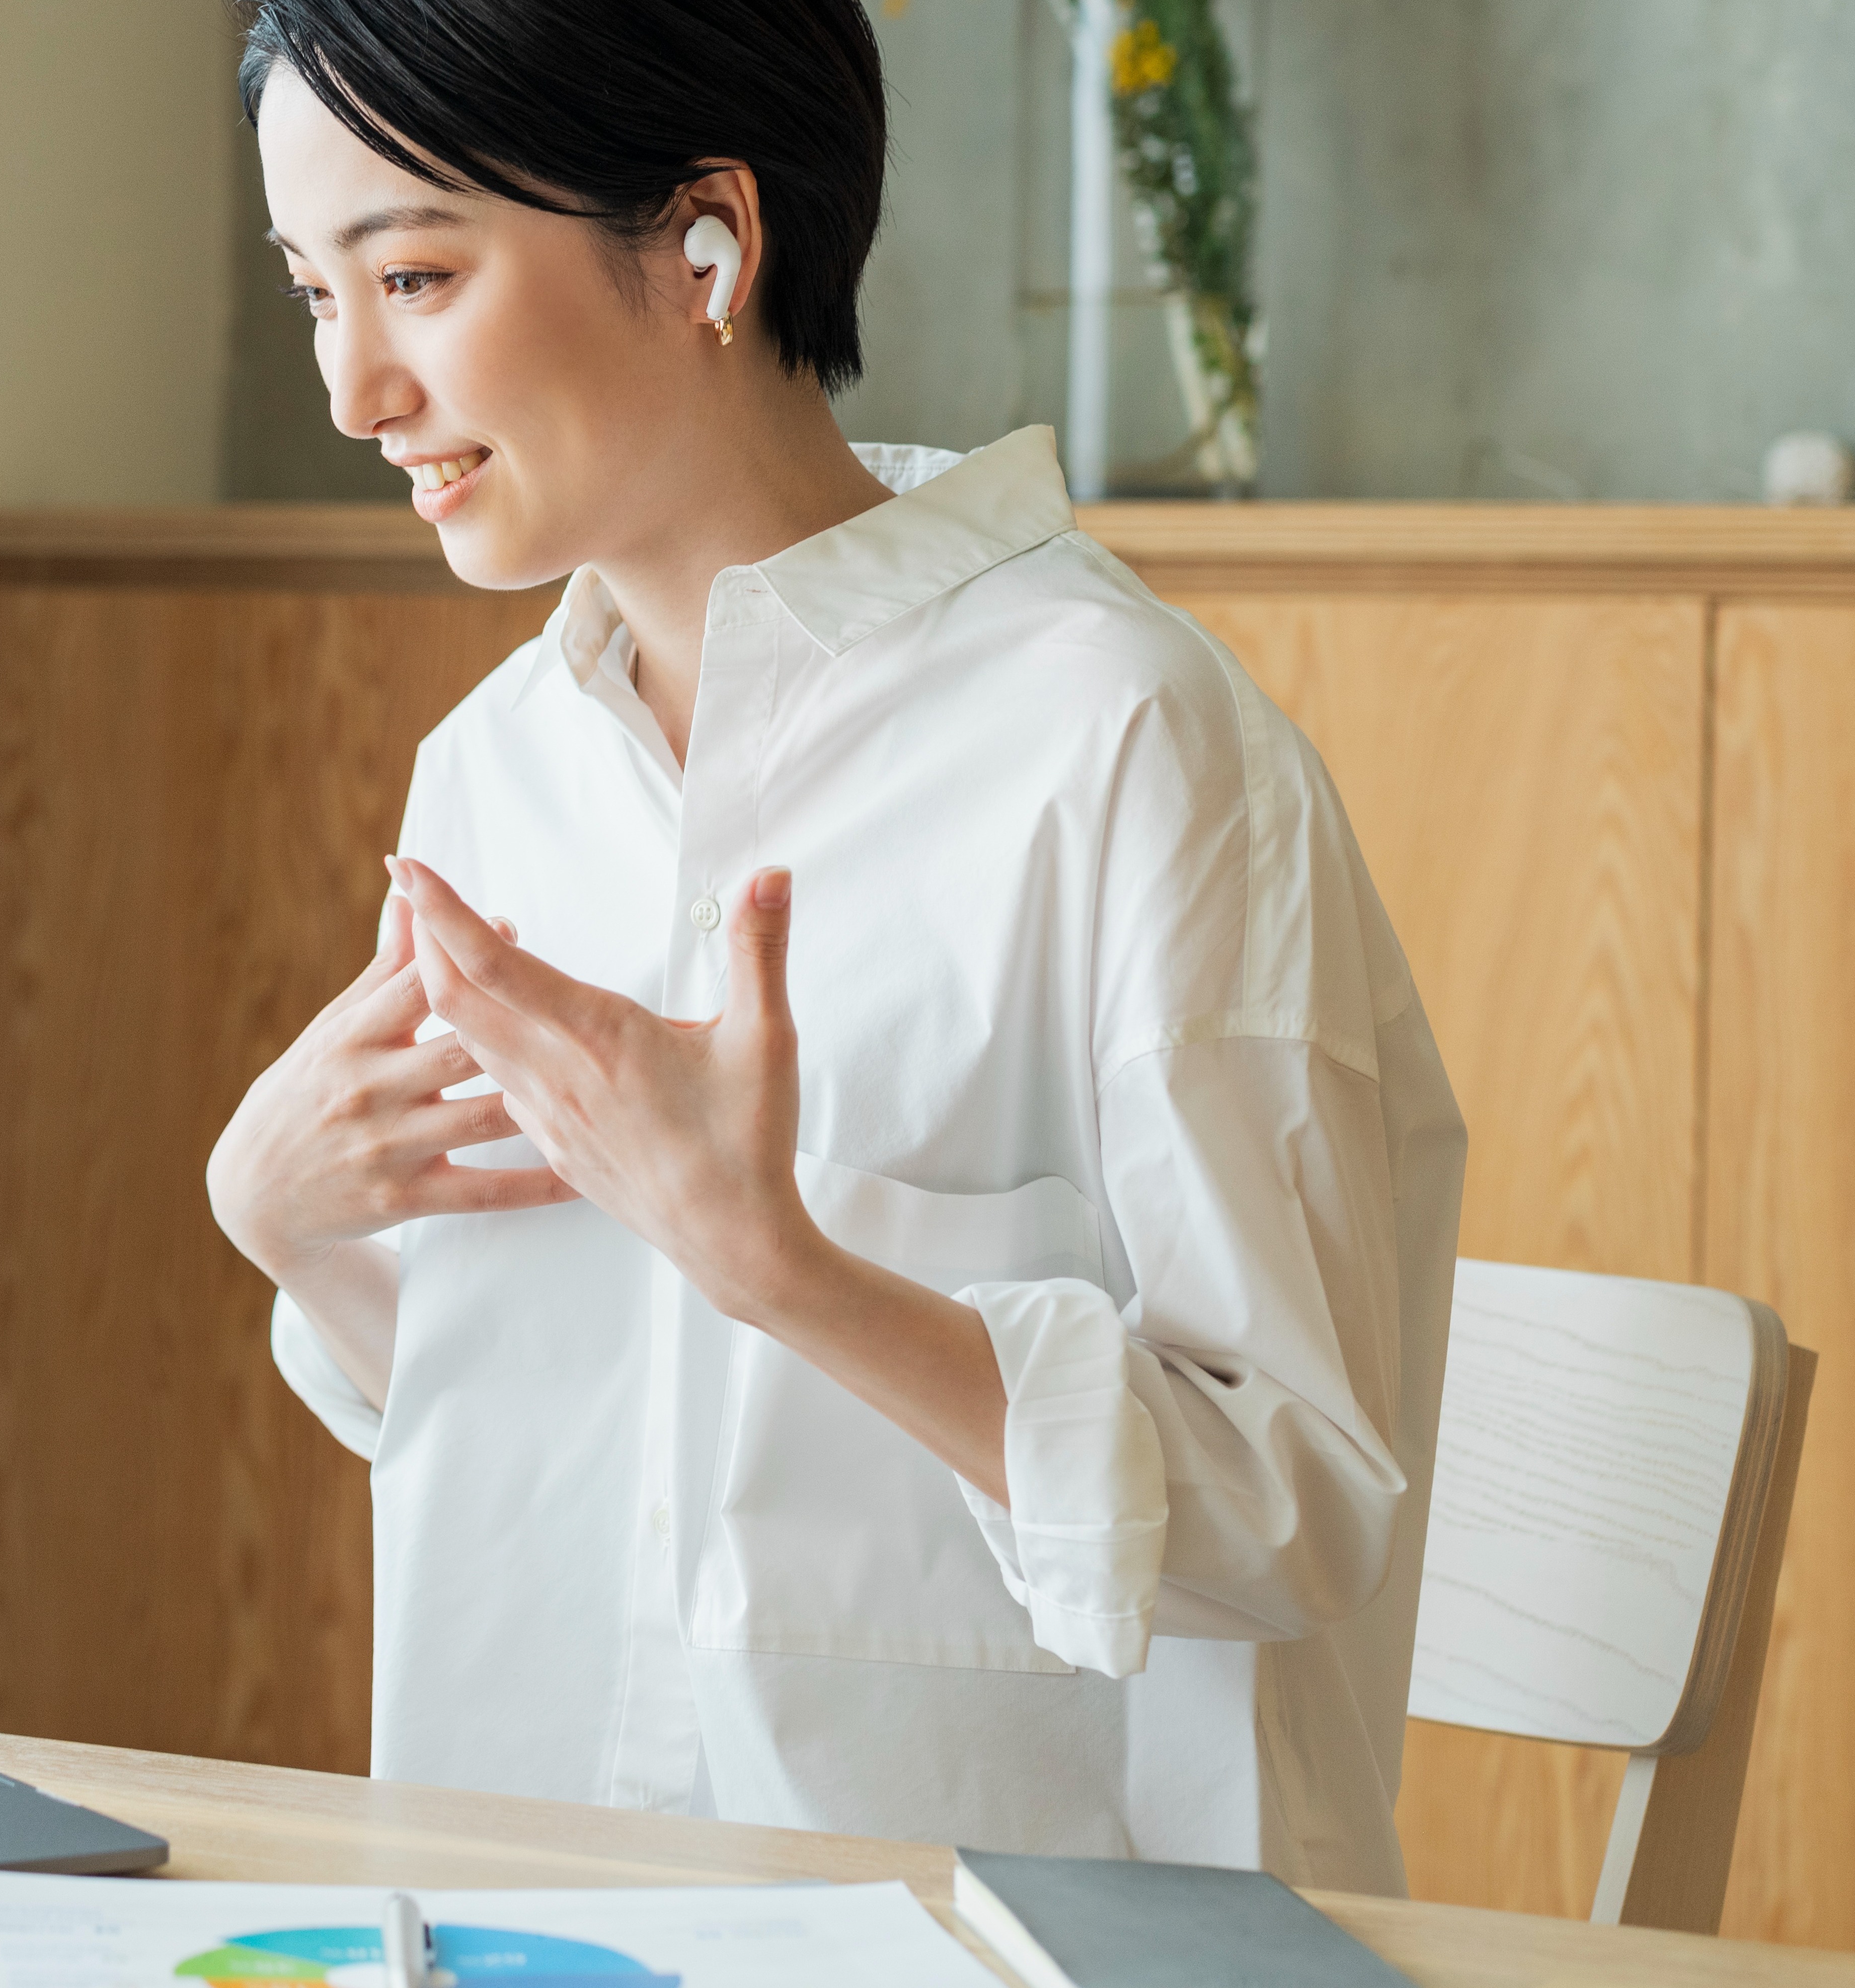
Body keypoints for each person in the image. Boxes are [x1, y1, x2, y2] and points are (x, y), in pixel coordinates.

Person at [200, 0, 1465, 1894]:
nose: (353, 390)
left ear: (708, 243)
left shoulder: (1128, 743)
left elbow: (1295, 1507)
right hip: (541, 1919)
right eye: (315, 291)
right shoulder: (492, 781)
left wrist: (778, 1266)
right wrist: (291, 1228)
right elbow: (581, 1423)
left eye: (418, 275)